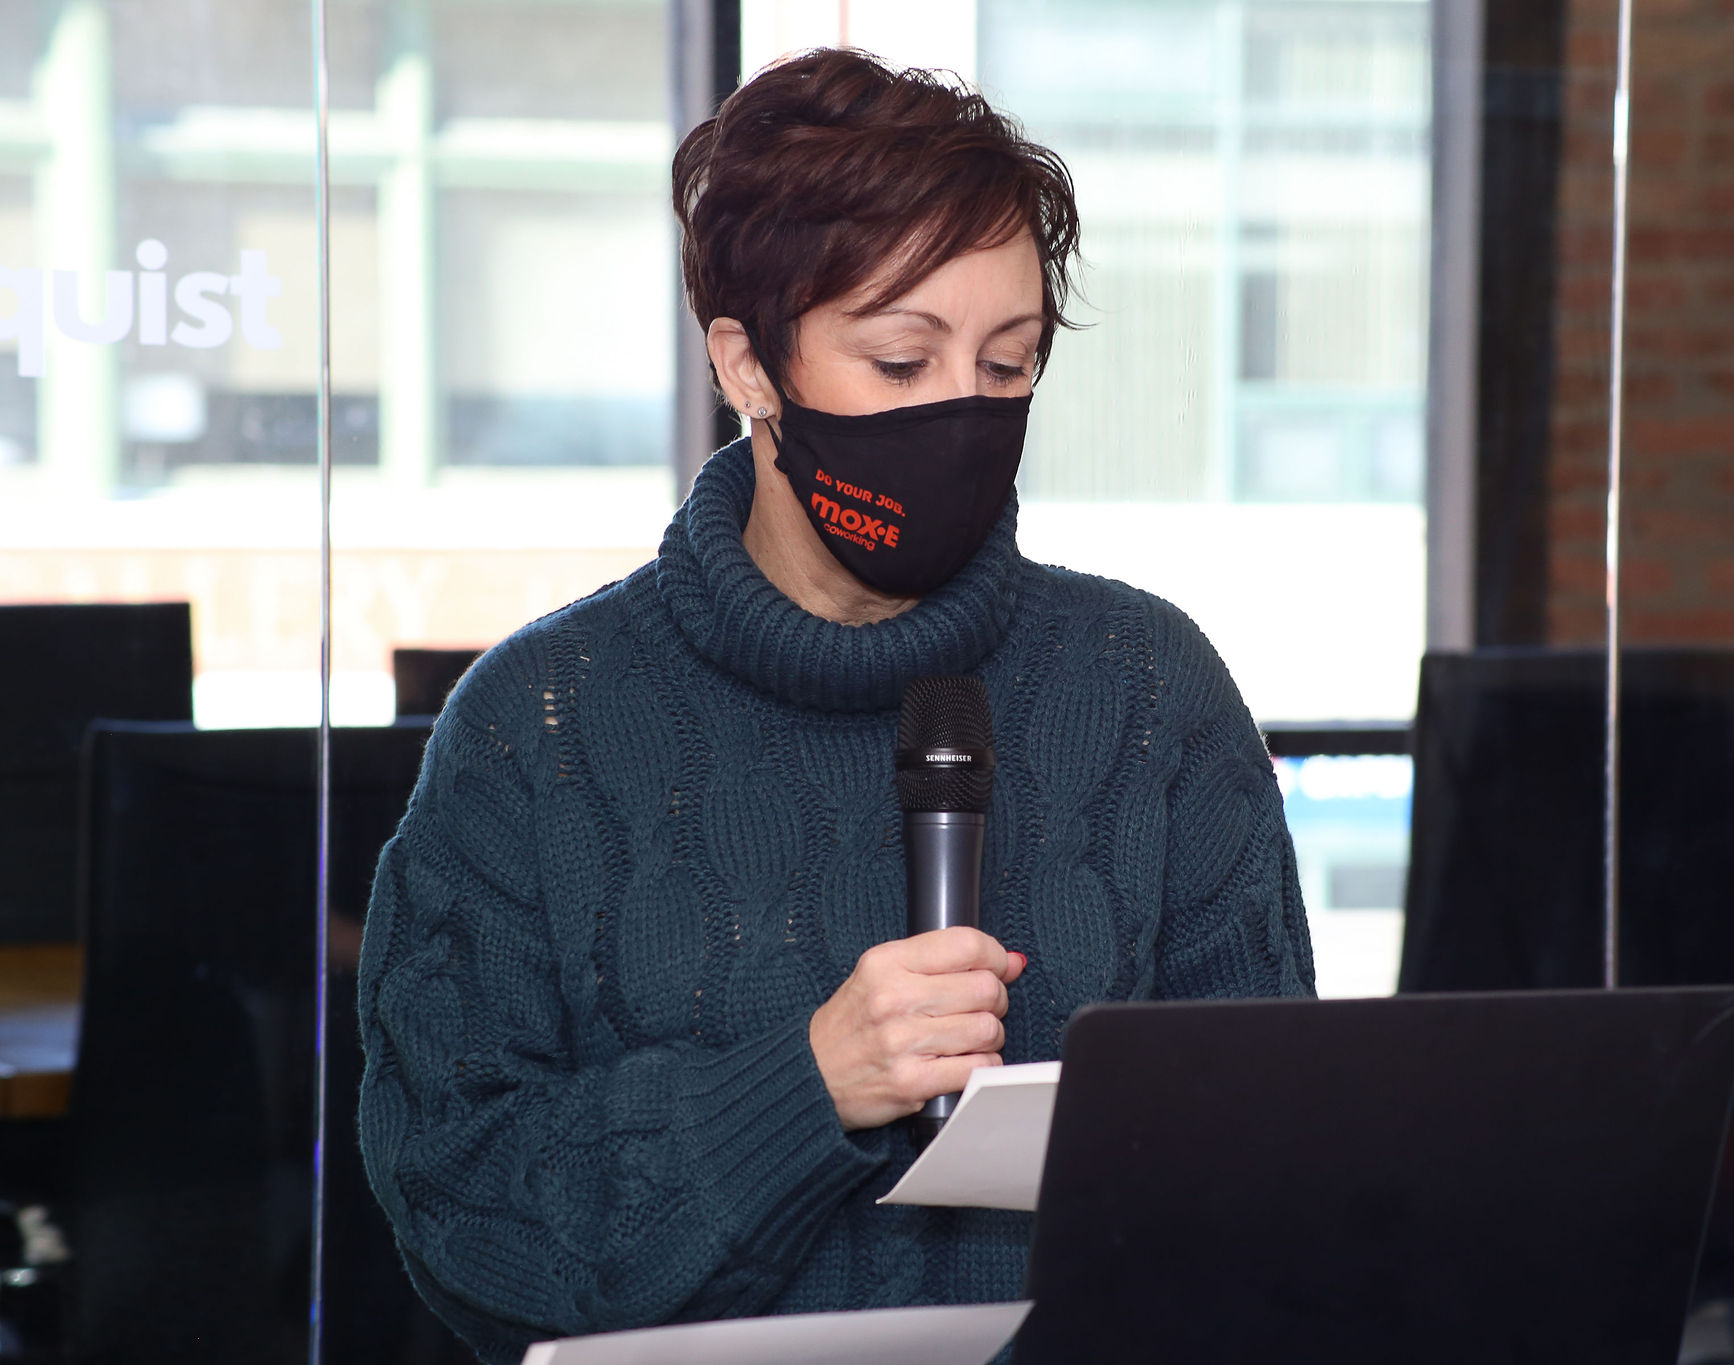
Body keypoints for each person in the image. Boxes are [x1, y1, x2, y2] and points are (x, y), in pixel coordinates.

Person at [357, 47, 1313, 1364]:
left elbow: (1286, 1180)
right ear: (748, 366)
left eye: (1008, 363)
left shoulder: (1147, 690)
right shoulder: (541, 726)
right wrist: (804, 1085)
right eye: (902, 360)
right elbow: (462, 1209)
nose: (963, 416)